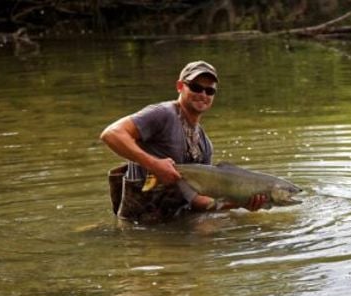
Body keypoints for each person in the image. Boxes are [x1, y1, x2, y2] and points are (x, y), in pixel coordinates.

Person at [100, 60, 266, 223]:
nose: (203, 94)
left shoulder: (205, 145)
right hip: (136, 226)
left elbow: (198, 200)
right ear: (180, 86)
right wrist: (153, 164)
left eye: (209, 91)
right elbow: (111, 134)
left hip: (176, 224)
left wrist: (239, 203)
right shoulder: (162, 114)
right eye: (196, 87)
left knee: (212, 231)